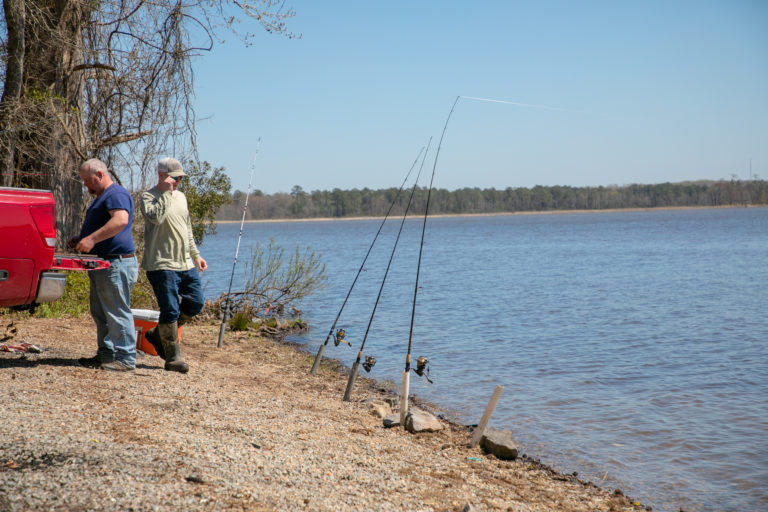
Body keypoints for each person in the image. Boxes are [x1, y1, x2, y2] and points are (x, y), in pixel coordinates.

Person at [140, 157, 207, 374]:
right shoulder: (149, 197)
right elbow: (156, 218)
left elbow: (186, 228)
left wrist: (195, 255)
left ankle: (158, 333)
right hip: (161, 263)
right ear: (162, 176)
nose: (178, 182)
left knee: (196, 302)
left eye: (180, 178)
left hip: (185, 263)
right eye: (174, 177)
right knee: (170, 309)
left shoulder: (182, 197)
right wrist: (167, 194)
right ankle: (172, 358)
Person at [72, 158, 139, 372]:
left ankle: (126, 358)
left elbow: (120, 220)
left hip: (116, 264)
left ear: (99, 174)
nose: (85, 185)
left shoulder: (115, 194)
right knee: (101, 312)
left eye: (87, 180)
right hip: (104, 264)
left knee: (117, 312)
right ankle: (106, 354)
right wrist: (82, 238)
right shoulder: (102, 197)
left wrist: (91, 239)